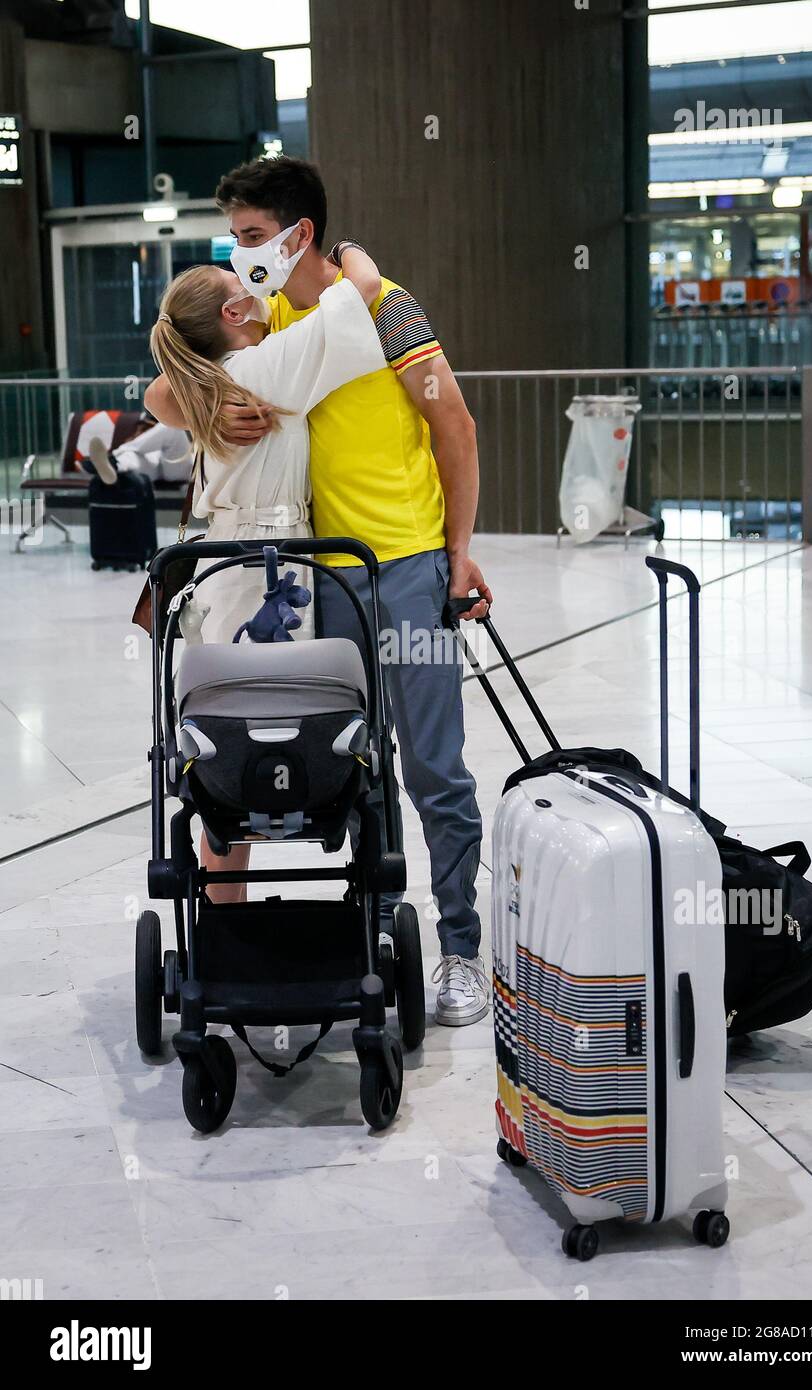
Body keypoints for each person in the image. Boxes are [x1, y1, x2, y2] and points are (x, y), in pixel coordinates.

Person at [144, 156, 492, 1028]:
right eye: (234, 240)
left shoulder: (382, 305)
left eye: (252, 236)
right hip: (318, 581)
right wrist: (213, 408)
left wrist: (458, 552)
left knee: (434, 767)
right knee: (354, 769)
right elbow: (162, 385)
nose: (241, 251)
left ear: (297, 233)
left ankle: (458, 947)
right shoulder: (267, 322)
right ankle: (377, 931)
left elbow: (454, 420)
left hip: (406, 566)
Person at [147, 243, 387, 896]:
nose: (256, 283)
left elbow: (160, 392)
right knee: (288, 718)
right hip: (276, 562)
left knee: (229, 753)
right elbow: (362, 289)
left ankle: (224, 929)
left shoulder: (206, 383)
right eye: (242, 280)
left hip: (220, 572)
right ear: (234, 310)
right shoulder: (267, 366)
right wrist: (349, 252)